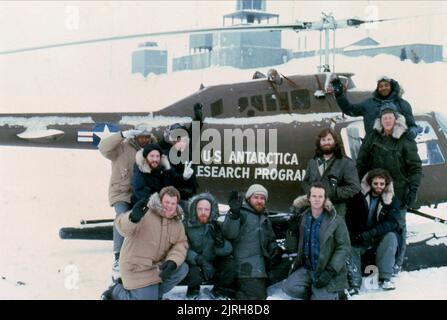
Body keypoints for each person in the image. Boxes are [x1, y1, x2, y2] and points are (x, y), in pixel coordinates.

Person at [356, 104, 422, 273]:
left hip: (398, 192)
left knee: (398, 227)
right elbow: (361, 160)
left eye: (390, 117)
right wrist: (359, 184)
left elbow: (415, 167)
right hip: (375, 189)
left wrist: (412, 190)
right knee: (373, 222)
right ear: (380, 120)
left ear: (395, 119)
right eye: (384, 117)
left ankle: (396, 264)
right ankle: (372, 260)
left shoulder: (406, 139)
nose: (387, 120)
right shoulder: (373, 137)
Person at [101, 186, 189, 300]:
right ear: (160, 201)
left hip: (156, 267)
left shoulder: (177, 223)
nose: (170, 206)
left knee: (182, 268)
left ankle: (153, 294)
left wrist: (173, 260)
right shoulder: (146, 212)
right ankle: (115, 291)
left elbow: (181, 244)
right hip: (135, 267)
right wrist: (132, 218)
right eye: (167, 202)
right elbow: (122, 228)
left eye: (173, 203)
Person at [98, 124, 156, 280]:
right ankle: (118, 257)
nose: (144, 140)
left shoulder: (152, 150)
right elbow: (103, 147)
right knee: (122, 216)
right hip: (121, 193)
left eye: (147, 137)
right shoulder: (121, 148)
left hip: (141, 194)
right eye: (141, 136)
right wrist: (122, 135)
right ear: (135, 136)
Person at [282, 183, 351, 300]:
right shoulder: (302, 218)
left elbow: (344, 247)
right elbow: (291, 247)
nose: (317, 199)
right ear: (309, 198)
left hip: (325, 269)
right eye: (314, 196)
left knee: (321, 298)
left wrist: (330, 271)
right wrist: (291, 231)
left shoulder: (335, 220)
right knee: (289, 288)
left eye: (320, 196)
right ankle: (315, 291)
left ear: (325, 199)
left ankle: (336, 293)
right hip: (307, 268)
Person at [221, 185, 284, 300]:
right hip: (245, 267)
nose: (259, 201)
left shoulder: (264, 216)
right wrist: (234, 215)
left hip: (261, 265)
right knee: (257, 298)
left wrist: (274, 248)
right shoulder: (240, 212)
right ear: (249, 198)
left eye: (262, 198)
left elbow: (270, 238)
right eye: (256, 197)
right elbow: (229, 234)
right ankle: (232, 293)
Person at [345, 169, 403, 292]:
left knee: (391, 237)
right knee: (349, 246)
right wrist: (355, 235)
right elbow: (350, 217)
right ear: (370, 183)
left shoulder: (391, 200)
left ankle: (385, 278)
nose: (379, 187)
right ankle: (354, 283)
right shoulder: (359, 197)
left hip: (377, 236)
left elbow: (391, 222)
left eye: (382, 184)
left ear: (386, 184)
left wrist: (372, 233)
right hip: (361, 236)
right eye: (375, 183)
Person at [331, 76, 420, 140]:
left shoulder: (402, 104)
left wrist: (413, 131)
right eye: (380, 86)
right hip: (373, 149)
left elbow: (412, 125)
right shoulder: (368, 104)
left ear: (392, 86)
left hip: (397, 150)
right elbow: (349, 109)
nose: (383, 88)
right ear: (377, 89)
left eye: (386, 85)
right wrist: (339, 95)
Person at [183, 193, 235, 299]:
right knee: (194, 273)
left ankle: (220, 291)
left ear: (211, 210)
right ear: (194, 209)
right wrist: (198, 259)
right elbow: (182, 248)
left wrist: (220, 242)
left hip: (212, 260)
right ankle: (193, 293)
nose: (203, 212)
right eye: (199, 209)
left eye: (206, 209)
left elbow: (228, 250)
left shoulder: (216, 224)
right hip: (195, 262)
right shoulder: (186, 226)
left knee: (230, 265)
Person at [303, 128, 361, 217]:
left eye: (329, 139)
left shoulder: (346, 163)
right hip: (314, 210)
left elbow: (355, 187)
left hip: (335, 211)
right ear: (319, 143)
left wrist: (333, 193)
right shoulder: (313, 162)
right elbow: (305, 182)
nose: (326, 142)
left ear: (335, 142)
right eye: (323, 140)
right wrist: (312, 195)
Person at [158, 103, 204, 209]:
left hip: (190, 193)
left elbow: (194, 131)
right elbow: (170, 178)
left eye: (182, 136)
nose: (180, 139)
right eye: (176, 137)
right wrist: (183, 177)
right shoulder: (166, 153)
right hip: (175, 196)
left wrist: (198, 118)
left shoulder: (189, 146)